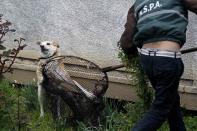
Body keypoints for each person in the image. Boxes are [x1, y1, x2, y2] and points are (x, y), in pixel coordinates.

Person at [119, 0, 197, 131]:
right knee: (159, 111)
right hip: (167, 59)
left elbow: (127, 42)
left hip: (147, 60)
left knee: (172, 103)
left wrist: (133, 55)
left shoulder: (138, 4)